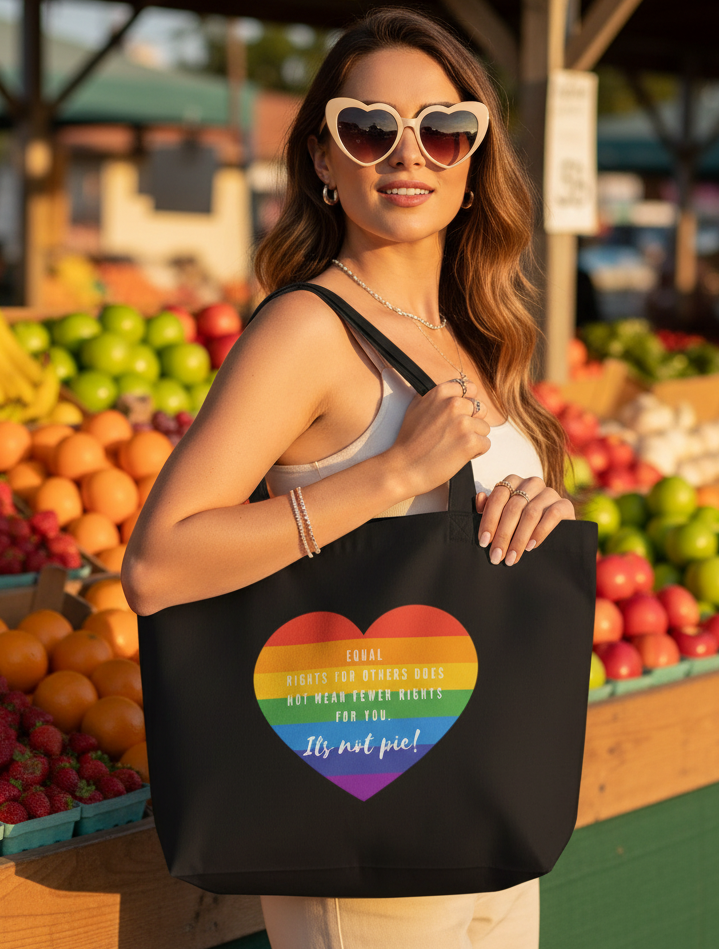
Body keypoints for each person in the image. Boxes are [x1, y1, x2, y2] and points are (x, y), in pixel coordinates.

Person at [123, 8, 576, 948]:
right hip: (363, 822)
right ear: (325, 159)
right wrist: (389, 476)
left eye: (443, 131)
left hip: (480, 810)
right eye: (369, 127)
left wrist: (539, 513)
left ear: (473, 158)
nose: (408, 155)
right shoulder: (306, 330)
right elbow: (158, 565)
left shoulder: (474, 335)